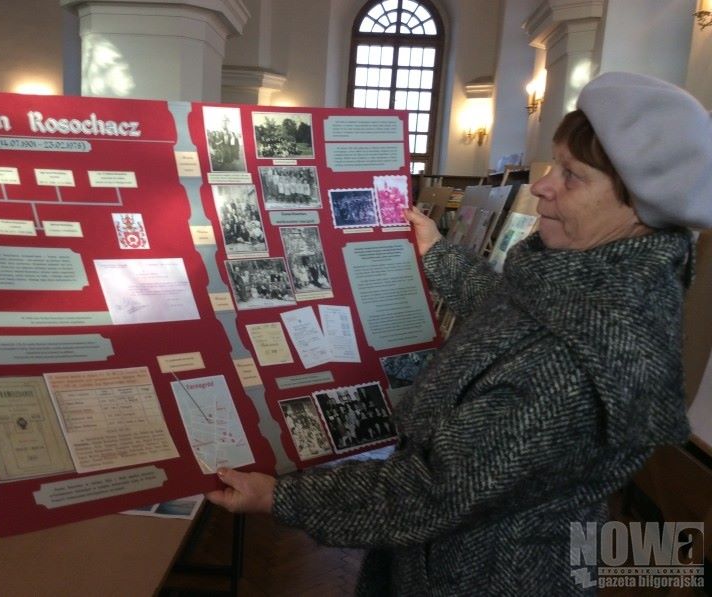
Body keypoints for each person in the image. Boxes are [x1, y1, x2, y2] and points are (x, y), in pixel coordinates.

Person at [206, 72, 712, 595]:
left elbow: (434, 491)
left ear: (637, 206)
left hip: (481, 576)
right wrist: (438, 254)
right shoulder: (597, 287)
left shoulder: (577, 363)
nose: (542, 184)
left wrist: (282, 498)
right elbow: (515, 318)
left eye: (571, 174)